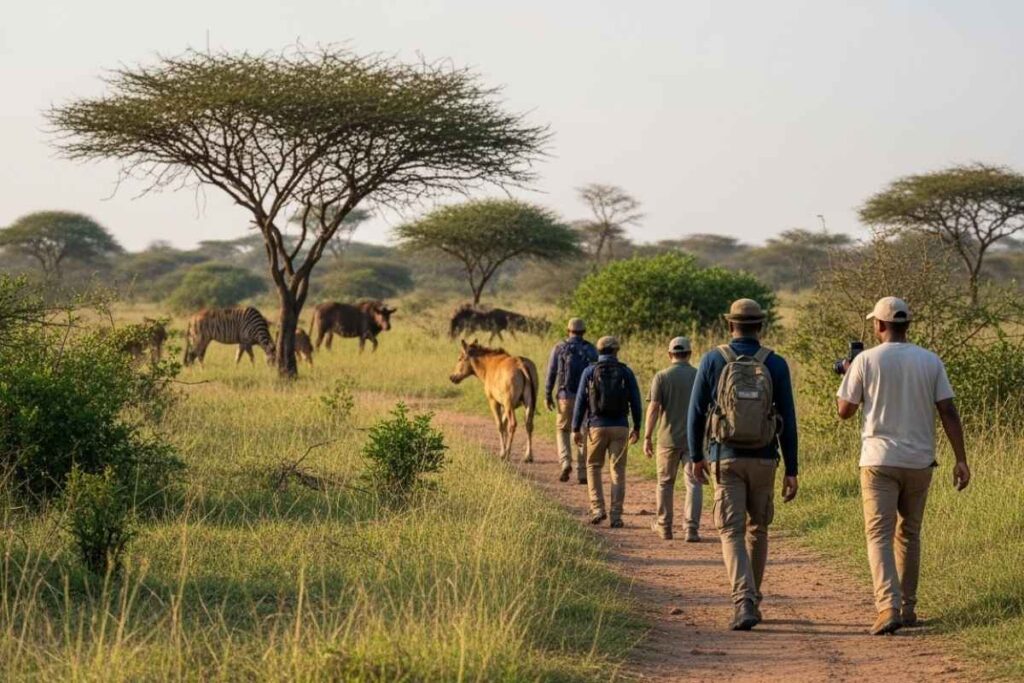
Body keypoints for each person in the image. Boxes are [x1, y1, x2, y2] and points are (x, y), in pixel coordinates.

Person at [836, 296, 970, 636]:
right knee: (909, 533)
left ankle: (887, 607)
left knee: (878, 535)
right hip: (919, 461)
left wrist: (850, 374)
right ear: (906, 325)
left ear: (879, 325)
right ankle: (908, 607)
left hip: (879, 460)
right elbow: (948, 411)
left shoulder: (866, 360)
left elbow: (844, 411)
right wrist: (961, 459)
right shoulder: (930, 360)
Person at [688, 298, 799, 631]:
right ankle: (754, 596)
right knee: (758, 528)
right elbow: (789, 420)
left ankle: (743, 599)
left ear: (729, 325)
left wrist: (696, 456)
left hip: (726, 458)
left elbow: (694, 413)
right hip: (765, 459)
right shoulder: (775, 364)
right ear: (760, 327)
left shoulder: (713, 359)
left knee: (730, 531)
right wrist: (792, 468)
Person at [572, 336, 642, 528]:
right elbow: (635, 401)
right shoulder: (626, 371)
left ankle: (598, 509)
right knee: (617, 471)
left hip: (596, 426)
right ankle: (616, 515)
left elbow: (580, 402)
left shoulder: (589, 371)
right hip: (620, 426)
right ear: (616, 351)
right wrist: (637, 427)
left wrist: (575, 428)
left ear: (599, 351)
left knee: (593, 466)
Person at [643, 336, 701, 542]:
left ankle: (665, 527)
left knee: (665, 483)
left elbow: (654, 409)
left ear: (670, 354)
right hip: (693, 441)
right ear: (690, 354)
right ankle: (691, 529)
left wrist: (647, 436)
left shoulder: (661, 377)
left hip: (667, 439)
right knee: (693, 483)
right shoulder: (698, 375)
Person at [545, 318, 599, 483]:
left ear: (568, 330)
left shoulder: (559, 348)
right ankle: (582, 473)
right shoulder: (591, 349)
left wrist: (547, 394)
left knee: (563, 430)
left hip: (564, 396)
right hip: (586, 398)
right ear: (584, 331)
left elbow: (552, 373)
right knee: (583, 432)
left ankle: (566, 462)